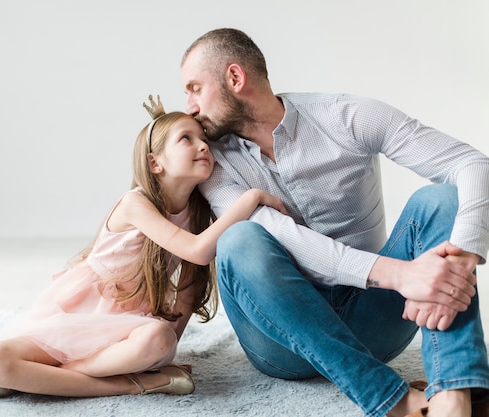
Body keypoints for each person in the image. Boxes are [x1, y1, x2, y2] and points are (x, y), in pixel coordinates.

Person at [180, 28, 489, 417]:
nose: (189, 106)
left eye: (195, 88)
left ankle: (454, 395)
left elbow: (472, 164)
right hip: (281, 342)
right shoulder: (214, 161)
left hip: (377, 319)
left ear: (235, 78)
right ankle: (390, 399)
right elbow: (281, 235)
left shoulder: (344, 115)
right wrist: (402, 275)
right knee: (238, 240)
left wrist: (461, 260)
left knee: (441, 200)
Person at [0, 95, 286, 399]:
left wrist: (162, 355)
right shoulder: (134, 203)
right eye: (186, 139)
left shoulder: (197, 213)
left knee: (160, 338)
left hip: (129, 327)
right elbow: (196, 250)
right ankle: (132, 384)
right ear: (155, 163)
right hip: (83, 312)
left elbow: (188, 291)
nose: (203, 144)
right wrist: (250, 198)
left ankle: (48, 377)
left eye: (203, 138)